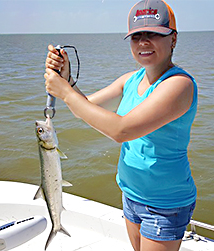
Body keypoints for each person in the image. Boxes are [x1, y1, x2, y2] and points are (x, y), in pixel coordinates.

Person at [44, 1, 197, 250]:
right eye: (136, 36)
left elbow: (121, 130)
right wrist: (67, 79)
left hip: (164, 203)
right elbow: (83, 109)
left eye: (154, 34)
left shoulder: (179, 85)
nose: (144, 42)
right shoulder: (129, 80)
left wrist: (65, 92)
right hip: (130, 193)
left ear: (173, 39)